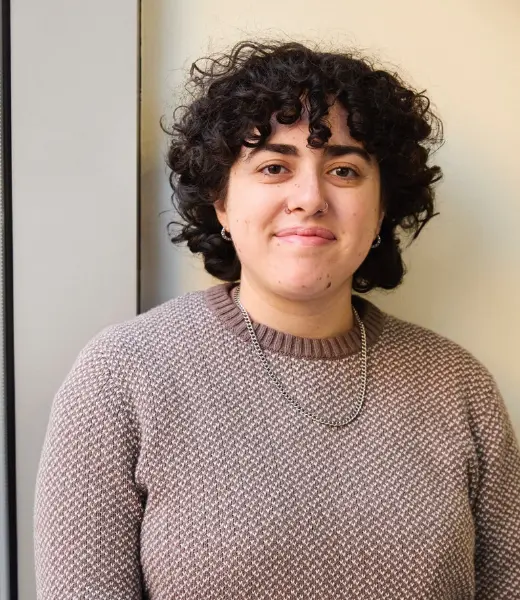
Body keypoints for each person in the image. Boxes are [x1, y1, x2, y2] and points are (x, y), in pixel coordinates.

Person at [34, 40, 520, 599]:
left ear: (383, 207)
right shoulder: (121, 376)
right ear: (220, 201)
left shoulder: (459, 388)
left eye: (343, 168)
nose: (309, 197)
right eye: (273, 166)